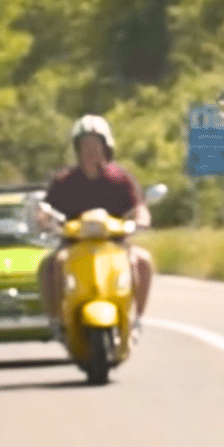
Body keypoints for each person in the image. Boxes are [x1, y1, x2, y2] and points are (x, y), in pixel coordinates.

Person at [37, 114, 155, 328]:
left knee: (143, 261)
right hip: (74, 245)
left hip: (115, 244)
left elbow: (139, 208)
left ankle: (136, 318)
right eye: (85, 144)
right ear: (77, 148)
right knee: (51, 264)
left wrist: (140, 221)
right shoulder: (64, 181)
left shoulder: (120, 179)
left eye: (95, 143)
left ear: (105, 146)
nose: (91, 149)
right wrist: (45, 220)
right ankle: (56, 320)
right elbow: (46, 210)